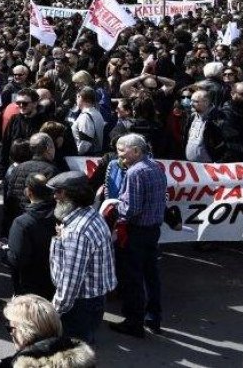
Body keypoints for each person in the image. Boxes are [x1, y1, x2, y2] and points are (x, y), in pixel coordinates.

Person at [110, 132, 170, 338]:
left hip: (136, 232)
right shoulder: (156, 166)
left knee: (133, 277)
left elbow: (131, 208)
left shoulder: (135, 172)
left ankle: (134, 322)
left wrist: (115, 209)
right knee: (151, 275)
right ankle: (154, 318)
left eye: (122, 151)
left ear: (136, 150)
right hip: (152, 230)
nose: (119, 156)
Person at [48, 171, 116, 344]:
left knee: (72, 355)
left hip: (79, 306)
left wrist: (55, 310)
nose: (55, 196)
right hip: (93, 301)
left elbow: (71, 280)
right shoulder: (91, 215)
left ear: (71, 195)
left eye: (59, 191)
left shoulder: (76, 231)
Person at [0, 294, 95, 368]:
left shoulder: (12, 365)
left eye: (10, 328)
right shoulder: (82, 361)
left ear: (26, 332)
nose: (11, 333)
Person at [6, 174, 57, 299]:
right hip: (55, 282)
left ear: (28, 192)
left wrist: (4, 251)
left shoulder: (22, 223)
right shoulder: (60, 216)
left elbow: (16, 259)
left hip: (29, 286)